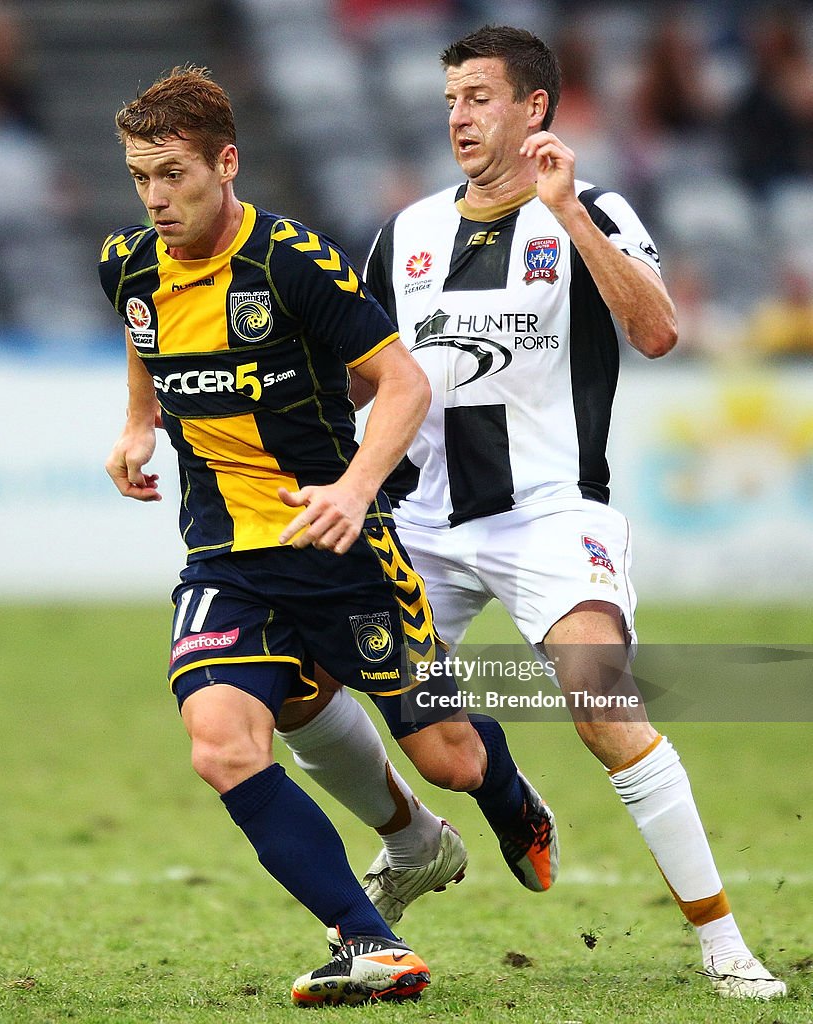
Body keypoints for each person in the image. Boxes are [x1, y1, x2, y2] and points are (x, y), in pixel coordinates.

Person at [100, 65, 555, 1007]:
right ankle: (369, 942)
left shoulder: (292, 262)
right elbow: (144, 333)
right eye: (141, 176)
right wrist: (138, 422)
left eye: (173, 175)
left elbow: (404, 384)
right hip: (224, 558)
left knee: (449, 758)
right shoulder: (128, 263)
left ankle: (513, 806)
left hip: (342, 553)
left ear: (226, 164)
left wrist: (353, 489)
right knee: (221, 744)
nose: (155, 199)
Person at [349, 24, 786, 1001]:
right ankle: (431, 834)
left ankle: (723, 946)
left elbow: (660, 330)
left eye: (480, 96)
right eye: (452, 97)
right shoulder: (405, 234)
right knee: (323, 690)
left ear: (534, 108)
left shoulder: (593, 211)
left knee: (601, 699)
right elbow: (358, 379)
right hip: (422, 520)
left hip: (551, 513)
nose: (459, 115)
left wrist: (571, 221)